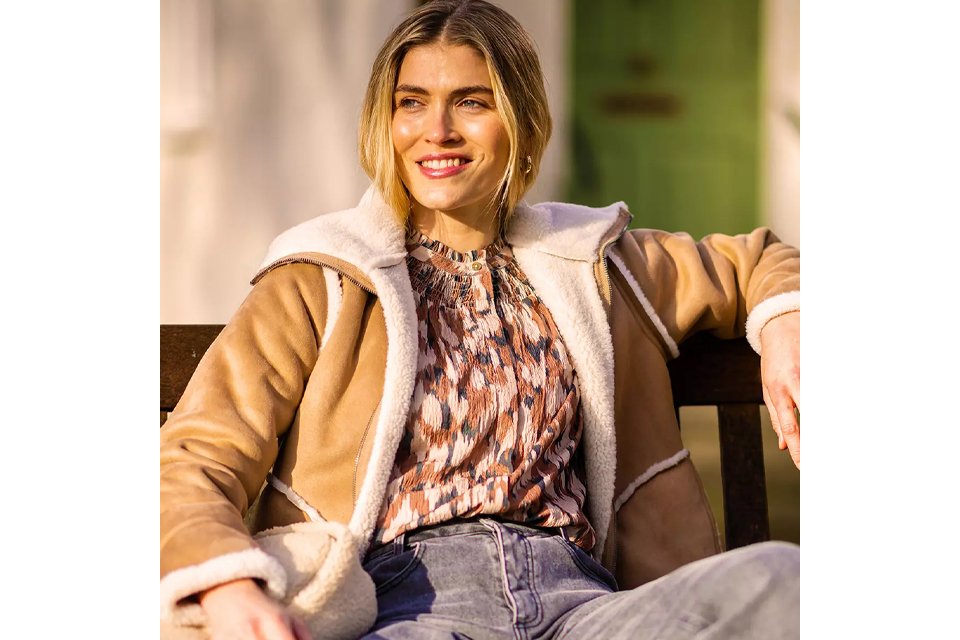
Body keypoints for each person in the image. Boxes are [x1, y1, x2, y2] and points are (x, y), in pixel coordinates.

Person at [160, 1, 801, 638]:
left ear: (519, 119)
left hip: (584, 610)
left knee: (782, 581)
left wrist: (784, 322)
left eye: (471, 101)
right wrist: (226, 583)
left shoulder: (590, 260)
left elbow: (757, 260)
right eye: (411, 102)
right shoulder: (322, 279)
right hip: (408, 610)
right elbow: (194, 457)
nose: (435, 129)